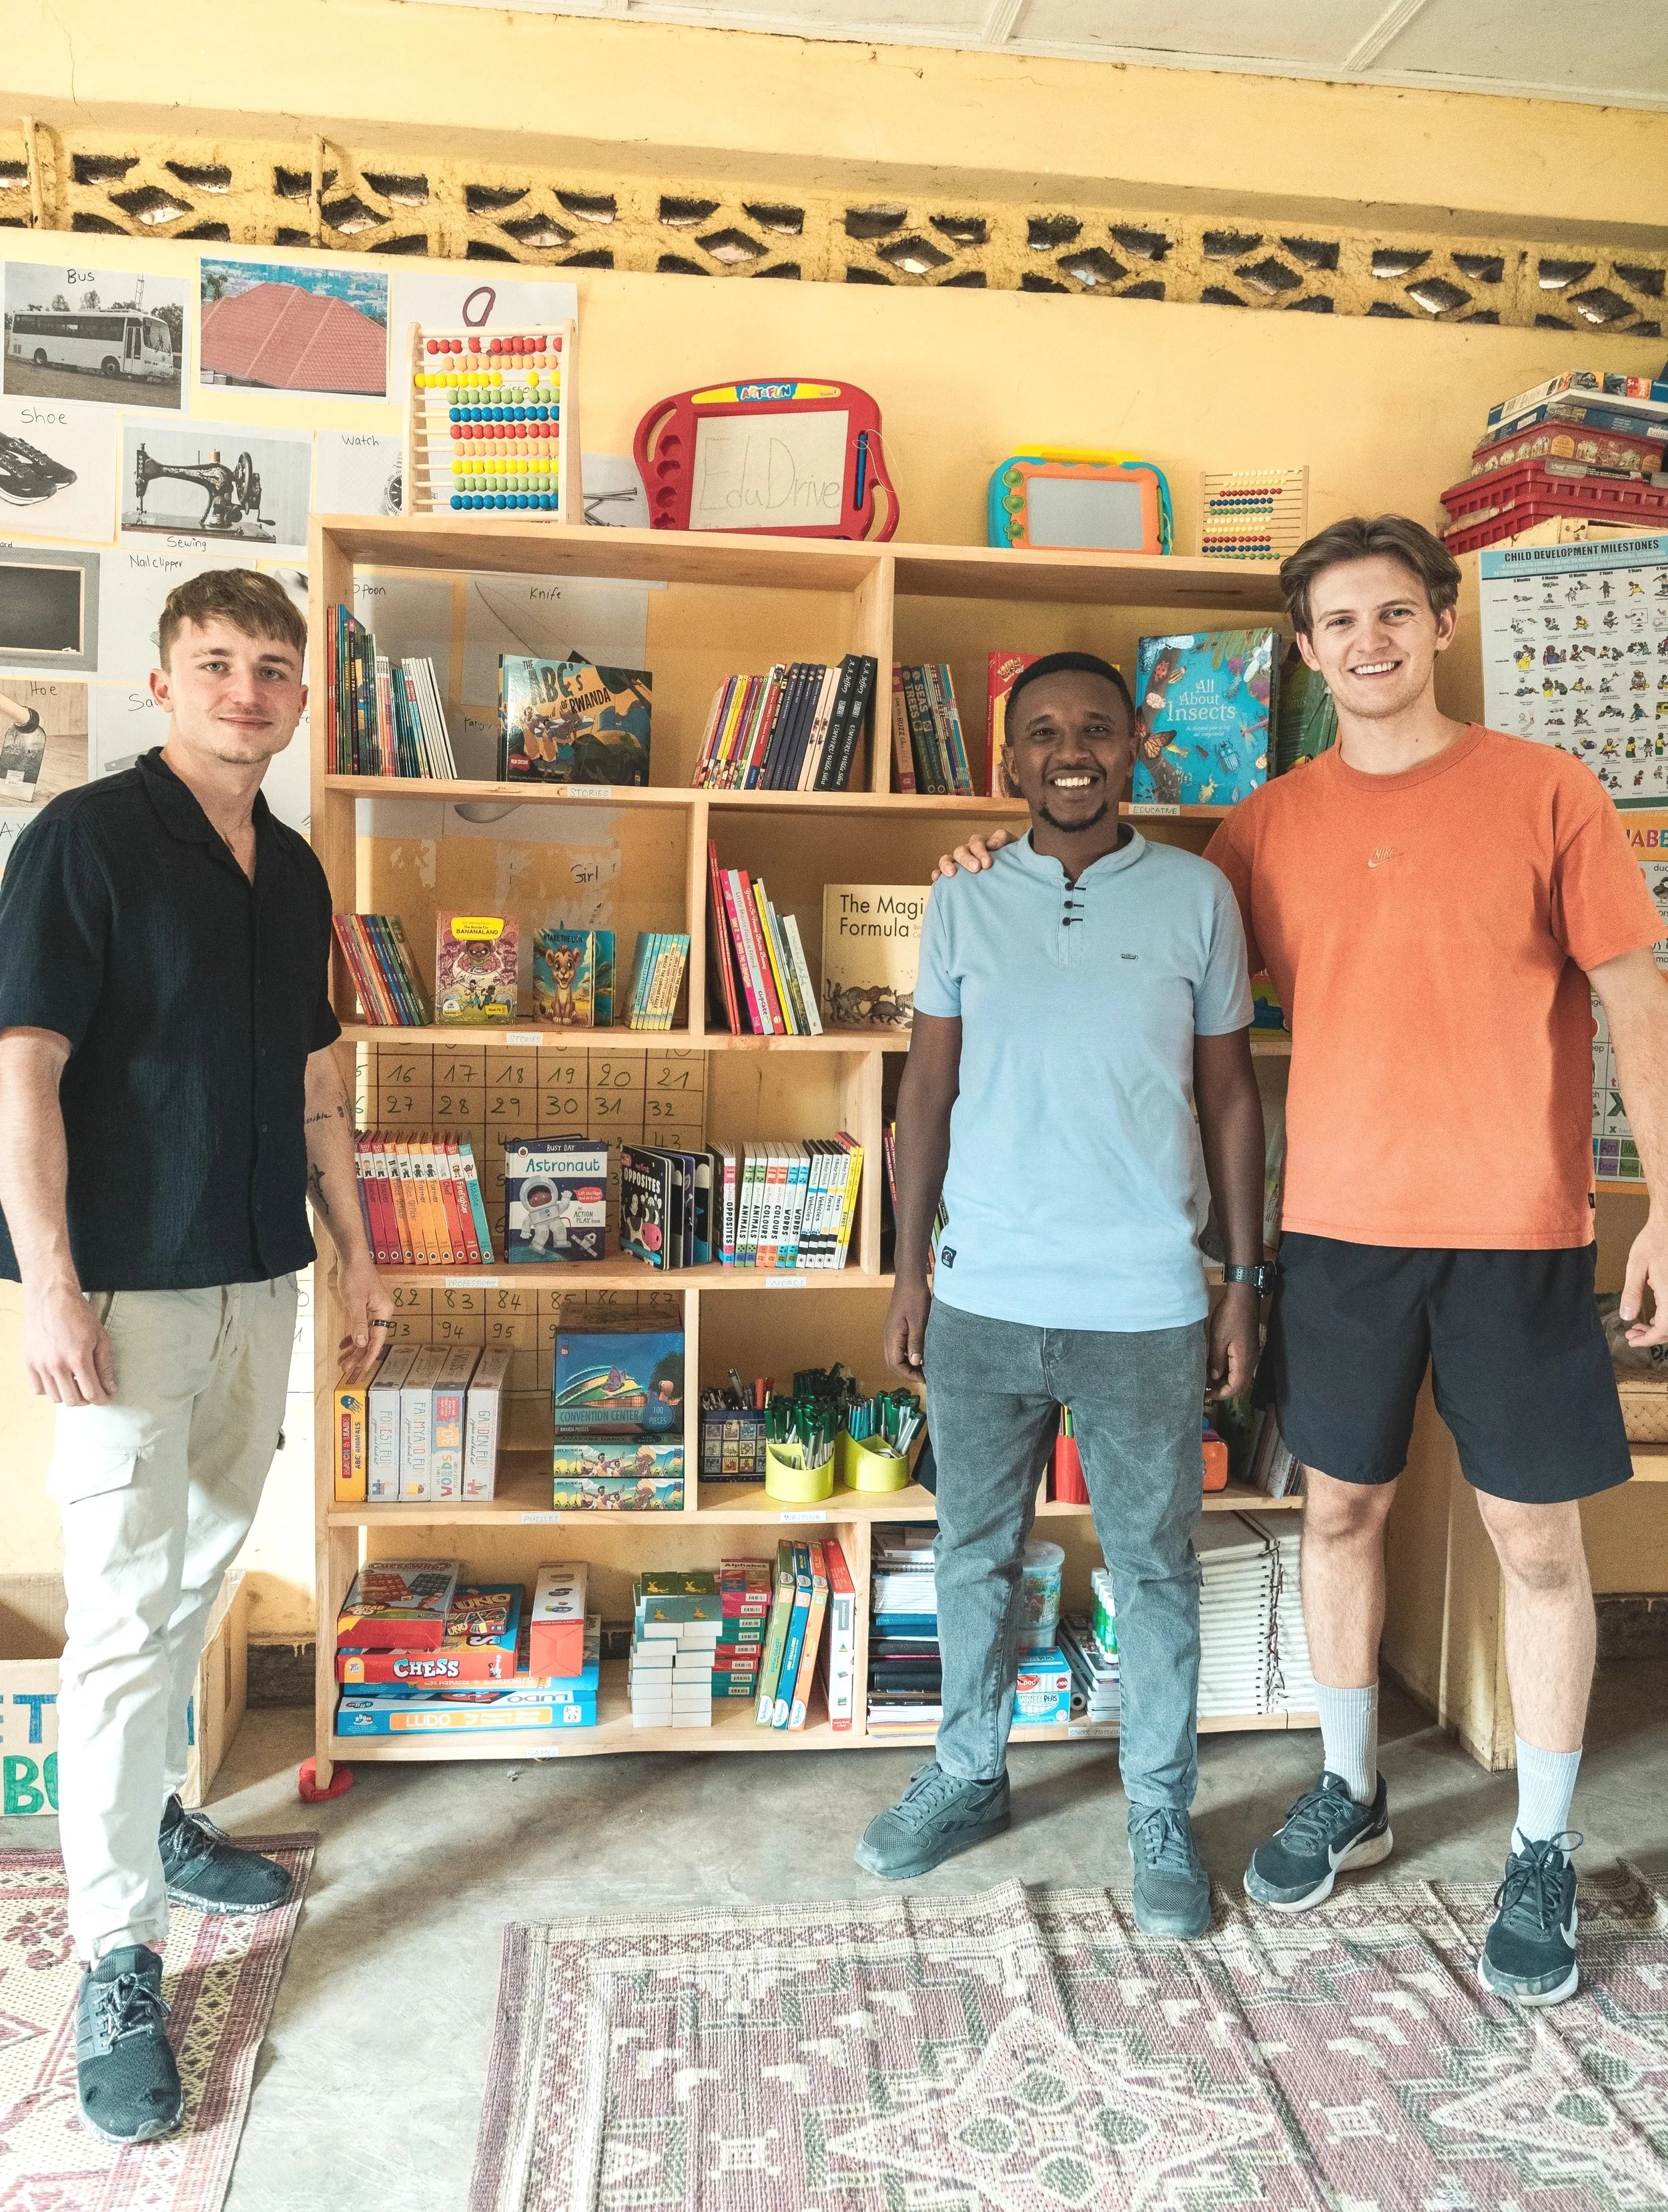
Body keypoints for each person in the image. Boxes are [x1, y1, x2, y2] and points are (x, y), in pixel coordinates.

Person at [933, 517, 1668, 2009]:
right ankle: (1348, 1785)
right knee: (1339, 1514)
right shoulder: (1262, 828)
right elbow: (1141, 947)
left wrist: (1663, 1200)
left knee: (1536, 1543)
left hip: (1515, 1230)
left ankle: (1537, 1840)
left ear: (1438, 620)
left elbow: (1633, 998)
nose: (1369, 642)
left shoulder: (1548, 791)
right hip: (1329, 1230)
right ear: (1305, 647)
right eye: (1338, 622)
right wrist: (989, 862)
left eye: (1393, 613)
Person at [0, 568, 391, 2141]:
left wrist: (357, 1257)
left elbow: (310, 1093)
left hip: (262, 1280)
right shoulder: (81, 845)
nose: (248, 690)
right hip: (125, 1298)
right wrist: (50, 1283)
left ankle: (153, 1815)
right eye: (217, 663)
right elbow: (23, 1073)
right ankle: (116, 1948)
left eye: (274, 669)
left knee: (193, 1574)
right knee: (115, 1612)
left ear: (302, 698)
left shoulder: (292, 870)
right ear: (164, 683)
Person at [856, 651, 1268, 1937]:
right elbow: (925, 1094)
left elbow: (1233, 1095)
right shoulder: (965, 902)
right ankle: (969, 1773)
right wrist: (906, 1264)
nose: (1071, 750)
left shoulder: (1200, 895)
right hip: (983, 1293)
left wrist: (1242, 1282)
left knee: (1152, 1568)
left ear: (1135, 744)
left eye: (1096, 727)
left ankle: (1159, 1811)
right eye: (1043, 732)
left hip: (1148, 1300)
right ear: (1012, 756)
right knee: (974, 1551)